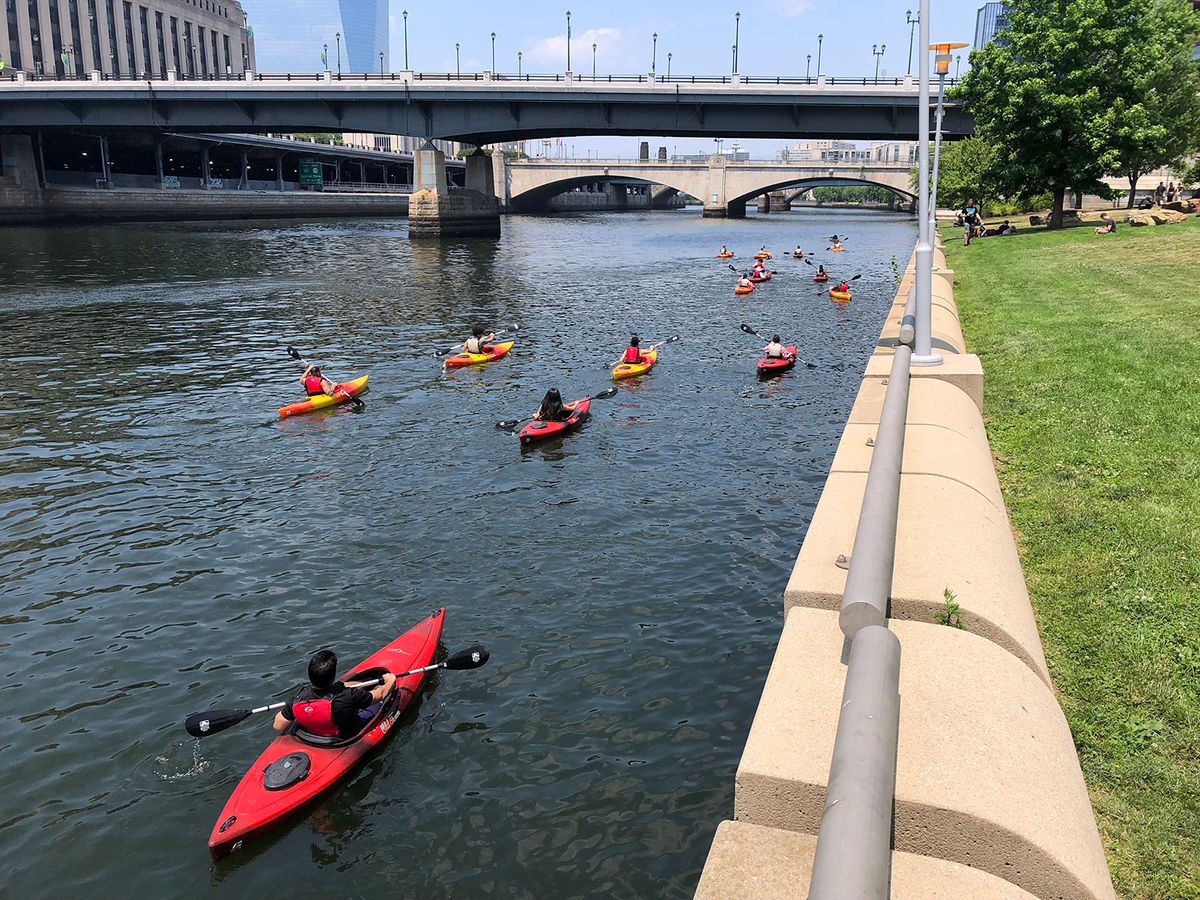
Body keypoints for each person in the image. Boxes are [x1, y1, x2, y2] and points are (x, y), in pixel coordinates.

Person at [273, 649, 396, 739]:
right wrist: (390, 680)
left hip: (312, 736)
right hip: (344, 735)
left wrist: (363, 683)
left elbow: (278, 726)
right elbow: (381, 694)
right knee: (382, 701)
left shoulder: (298, 699)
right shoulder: (348, 697)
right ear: (332, 677)